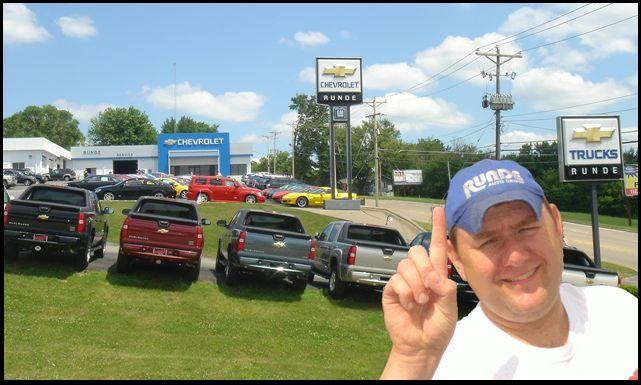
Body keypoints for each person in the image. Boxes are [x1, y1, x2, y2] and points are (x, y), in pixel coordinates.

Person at [380, 159, 637, 380]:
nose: (515, 256)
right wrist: (412, 360)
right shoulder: (447, 365)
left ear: (557, 226)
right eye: (488, 241)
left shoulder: (620, 309)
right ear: (457, 260)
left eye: (526, 229)